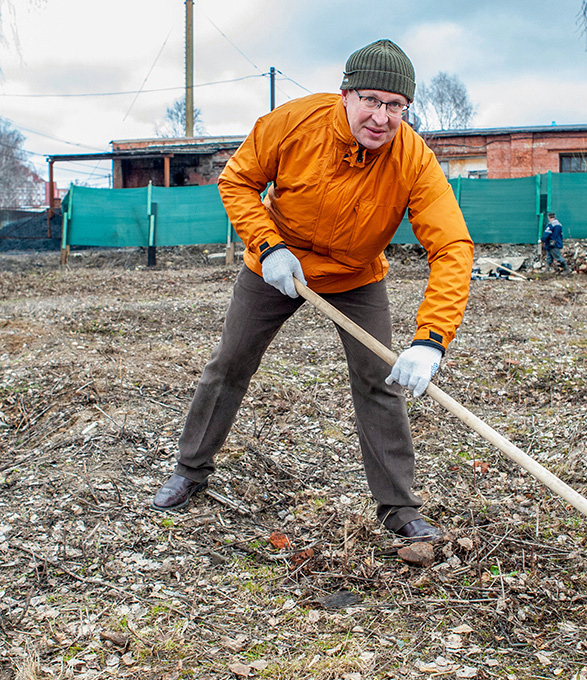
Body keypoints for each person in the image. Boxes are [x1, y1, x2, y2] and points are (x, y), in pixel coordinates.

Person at [150, 39, 474, 543]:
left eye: (396, 106)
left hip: (355, 275)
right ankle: (189, 470)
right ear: (345, 94)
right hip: (277, 264)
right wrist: (269, 245)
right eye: (371, 99)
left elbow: (452, 246)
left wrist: (431, 340)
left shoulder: (414, 161)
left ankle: (398, 508)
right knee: (231, 362)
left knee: (379, 381)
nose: (382, 117)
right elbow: (237, 181)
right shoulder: (295, 123)